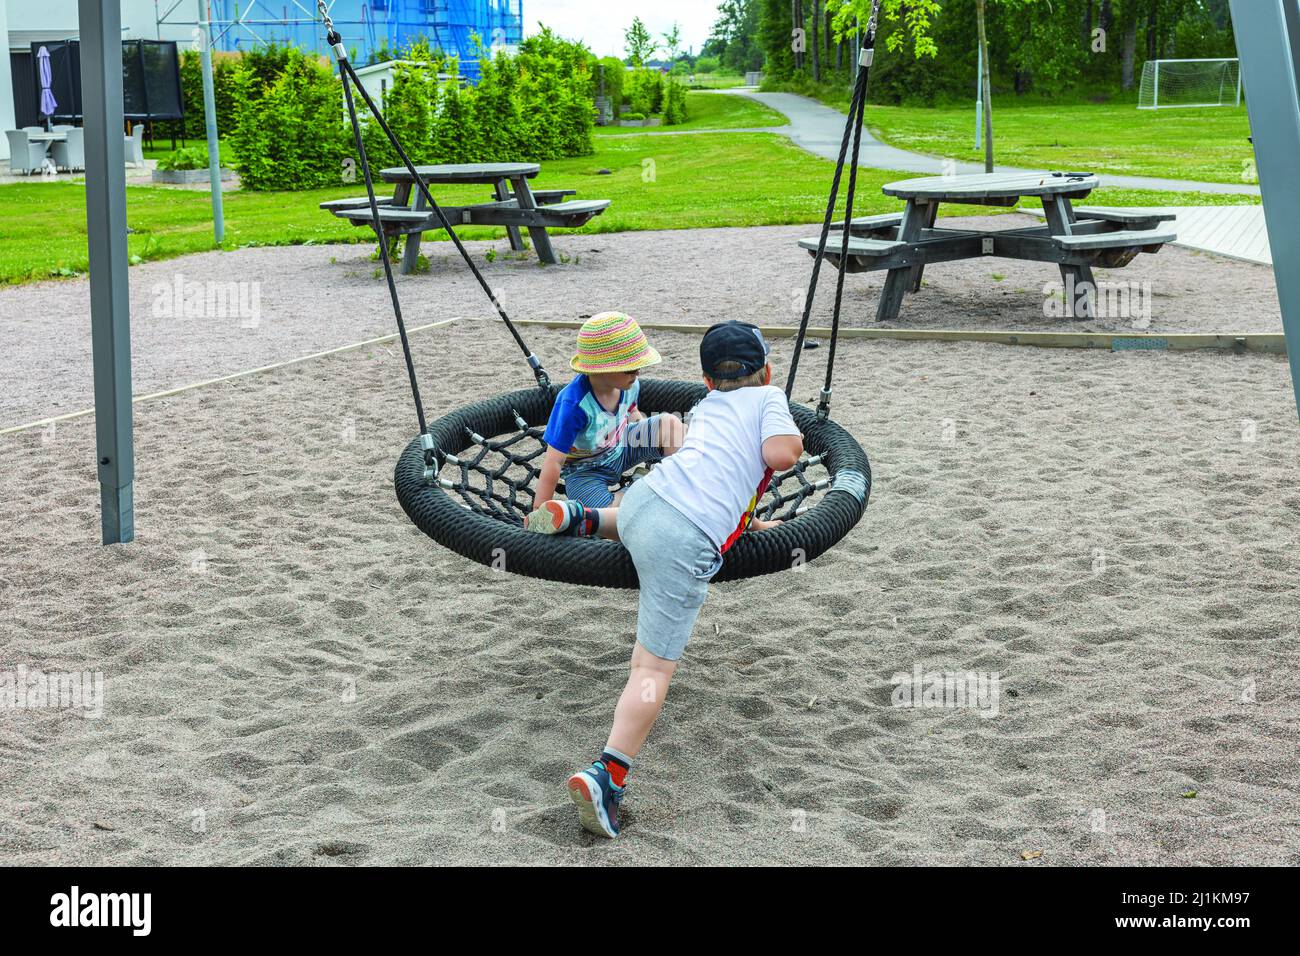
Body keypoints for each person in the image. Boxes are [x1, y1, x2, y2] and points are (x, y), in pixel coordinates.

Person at [565, 320, 805, 838]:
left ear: (704, 378)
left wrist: (754, 521)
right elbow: (778, 456)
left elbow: (713, 472)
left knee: (638, 522)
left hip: (643, 502)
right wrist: (795, 434)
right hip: (682, 539)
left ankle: (581, 517)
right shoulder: (770, 397)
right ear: (768, 370)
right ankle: (608, 772)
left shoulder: (707, 407)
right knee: (651, 669)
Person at [526, 311, 683, 539]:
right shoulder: (574, 404)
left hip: (620, 448)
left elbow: (631, 412)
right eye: (631, 368)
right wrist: (538, 510)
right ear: (602, 368)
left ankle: (681, 481)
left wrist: (648, 440)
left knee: (670, 424)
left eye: (639, 366)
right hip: (585, 471)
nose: (637, 372)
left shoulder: (630, 385)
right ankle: (639, 489)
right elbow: (554, 461)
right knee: (607, 519)